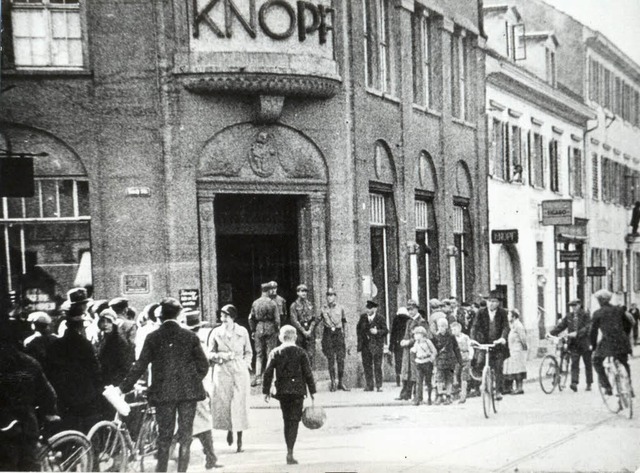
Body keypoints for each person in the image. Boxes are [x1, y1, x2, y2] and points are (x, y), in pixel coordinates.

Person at [117, 297, 209, 473]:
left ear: (159, 317)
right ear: (178, 315)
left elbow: (140, 366)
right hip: (188, 394)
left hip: (163, 393)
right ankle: (182, 470)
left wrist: (123, 388)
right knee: (185, 436)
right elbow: (203, 365)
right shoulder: (190, 336)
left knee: (164, 436)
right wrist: (191, 380)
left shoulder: (153, 337)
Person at [0, 320, 58, 472]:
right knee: (28, 464)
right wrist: (50, 412)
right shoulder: (30, 363)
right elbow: (48, 394)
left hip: (4, 425)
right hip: (26, 425)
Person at [44, 302, 103, 433]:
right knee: (88, 431)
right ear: (80, 326)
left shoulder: (55, 345)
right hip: (85, 396)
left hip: (63, 397)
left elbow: (49, 371)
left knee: (67, 430)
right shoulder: (85, 345)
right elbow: (95, 370)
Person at [262, 325, 316, 465]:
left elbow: (268, 373)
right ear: (295, 337)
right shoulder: (301, 352)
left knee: (286, 419)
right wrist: (313, 392)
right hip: (298, 392)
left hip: (283, 392)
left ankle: (289, 450)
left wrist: (265, 391)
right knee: (294, 421)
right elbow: (308, 373)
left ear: (281, 337)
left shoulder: (275, 352)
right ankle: (290, 451)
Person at [210, 304, 253, 453]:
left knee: (239, 403)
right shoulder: (216, 332)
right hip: (223, 371)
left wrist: (245, 364)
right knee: (225, 403)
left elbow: (249, 351)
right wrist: (221, 357)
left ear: (233, 317)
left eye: (227, 317)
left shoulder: (242, 331)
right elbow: (210, 353)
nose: (224, 320)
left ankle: (240, 438)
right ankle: (229, 430)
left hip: (239, 370)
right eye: (222, 317)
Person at [185, 310, 221, 470]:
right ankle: (210, 458)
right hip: (197, 387)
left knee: (185, 425)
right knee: (204, 424)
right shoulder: (197, 341)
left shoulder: (179, 339)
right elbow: (204, 365)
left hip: (182, 388)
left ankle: (209, 457)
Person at [590, 289, 633, 396]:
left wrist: (594, 347)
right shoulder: (619, 310)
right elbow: (628, 324)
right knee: (624, 362)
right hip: (622, 341)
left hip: (608, 342)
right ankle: (629, 387)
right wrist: (625, 335)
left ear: (600, 300)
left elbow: (593, 332)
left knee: (596, 361)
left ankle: (607, 387)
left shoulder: (597, 314)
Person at [470, 290, 509, 400]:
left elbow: (506, 327)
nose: (491, 304)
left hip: (497, 344)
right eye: (489, 301)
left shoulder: (502, 312)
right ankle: (483, 381)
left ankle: (498, 391)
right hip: (484, 342)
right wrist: (472, 339)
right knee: (479, 362)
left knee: (498, 367)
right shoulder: (481, 312)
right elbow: (474, 326)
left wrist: (502, 338)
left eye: (494, 301)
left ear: (498, 303)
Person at [549, 299, 593, 392]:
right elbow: (561, 326)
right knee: (574, 363)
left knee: (587, 363)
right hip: (573, 344)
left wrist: (577, 333)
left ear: (579, 305)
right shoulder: (569, 316)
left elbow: (588, 327)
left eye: (575, 305)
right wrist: (550, 333)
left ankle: (589, 383)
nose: (573, 308)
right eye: (572, 306)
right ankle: (574, 383)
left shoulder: (585, 315)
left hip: (584, 343)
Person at [397, 300, 430, 401]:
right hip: (408, 351)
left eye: (412, 309)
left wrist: (409, 342)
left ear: (416, 309)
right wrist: (403, 340)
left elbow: (422, 336)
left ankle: (416, 394)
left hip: (417, 350)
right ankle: (405, 394)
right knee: (406, 371)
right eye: (408, 310)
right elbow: (407, 334)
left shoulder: (422, 321)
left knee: (415, 373)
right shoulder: (409, 321)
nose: (410, 312)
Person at [249, 282, 279, 387]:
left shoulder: (255, 303)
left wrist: (253, 330)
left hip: (259, 327)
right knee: (270, 353)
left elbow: (251, 318)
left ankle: (258, 377)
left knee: (259, 354)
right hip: (270, 328)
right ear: (269, 291)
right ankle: (269, 377)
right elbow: (277, 320)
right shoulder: (272, 303)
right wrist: (277, 330)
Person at [319, 288, 349, 391]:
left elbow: (345, 322)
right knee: (330, 359)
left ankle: (340, 382)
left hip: (338, 334)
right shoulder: (323, 309)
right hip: (328, 334)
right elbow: (317, 321)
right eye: (328, 295)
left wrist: (346, 336)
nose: (329, 297)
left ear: (335, 296)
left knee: (340, 359)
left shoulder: (341, 308)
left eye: (331, 295)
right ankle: (333, 382)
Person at [356, 300, 388, 392]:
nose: (368, 310)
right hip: (365, 345)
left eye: (370, 308)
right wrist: (360, 344)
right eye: (367, 308)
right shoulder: (363, 318)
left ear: (375, 309)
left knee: (377, 366)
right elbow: (358, 330)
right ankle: (369, 385)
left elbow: (386, 331)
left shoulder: (380, 318)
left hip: (377, 346)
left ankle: (379, 385)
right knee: (367, 366)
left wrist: (377, 331)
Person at [433, 318, 462, 405]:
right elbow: (434, 350)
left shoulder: (451, 337)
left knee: (449, 379)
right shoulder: (436, 337)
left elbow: (456, 348)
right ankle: (440, 395)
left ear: (446, 327)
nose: (440, 328)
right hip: (440, 361)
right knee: (439, 379)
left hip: (450, 360)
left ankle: (448, 396)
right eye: (439, 326)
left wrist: (459, 360)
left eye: (442, 326)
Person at [290, 284, 317, 366]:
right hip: (299, 332)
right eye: (301, 291)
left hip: (309, 330)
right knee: (299, 353)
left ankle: (309, 374)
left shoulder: (310, 305)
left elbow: (314, 319)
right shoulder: (294, 305)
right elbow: (294, 320)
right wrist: (303, 331)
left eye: (305, 291)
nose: (304, 293)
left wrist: (310, 330)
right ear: (297, 293)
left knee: (310, 354)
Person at [409, 326, 436, 405]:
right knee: (418, 382)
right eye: (415, 334)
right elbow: (414, 350)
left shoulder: (428, 342)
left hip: (427, 362)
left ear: (422, 334)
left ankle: (429, 398)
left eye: (417, 334)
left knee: (428, 381)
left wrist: (431, 359)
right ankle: (418, 399)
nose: (415, 336)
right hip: (419, 362)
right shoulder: (416, 343)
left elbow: (434, 351)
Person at [503, 309, 528, 395]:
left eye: (509, 315)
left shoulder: (518, 325)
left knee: (518, 369)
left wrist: (524, 348)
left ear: (514, 316)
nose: (507, 317)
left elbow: (523, 338)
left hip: (518, 350)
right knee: (512, 369)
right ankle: (511, 388)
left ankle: (519, 388)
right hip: (512, 350)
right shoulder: (512, 325)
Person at [451, 321, 473, 403]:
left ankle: (463, 396)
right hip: (456, 360)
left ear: (460, 329)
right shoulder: (452, 339)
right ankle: (456, 393)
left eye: (455, 329)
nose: (454, 331)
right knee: (455, 375)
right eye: (452, 330)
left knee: (464, 377)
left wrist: (470, 356)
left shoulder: (465, 337)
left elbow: (470, 347)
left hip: (465, 358)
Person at [389, 307, 410, 387]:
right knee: (406, 361)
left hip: (397, 344)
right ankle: (406, 378)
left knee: (398, 361)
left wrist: (391, 347)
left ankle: (398, 377)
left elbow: (393, 333)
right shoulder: (409, 319)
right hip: (406, 343)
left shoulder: (396, 319)